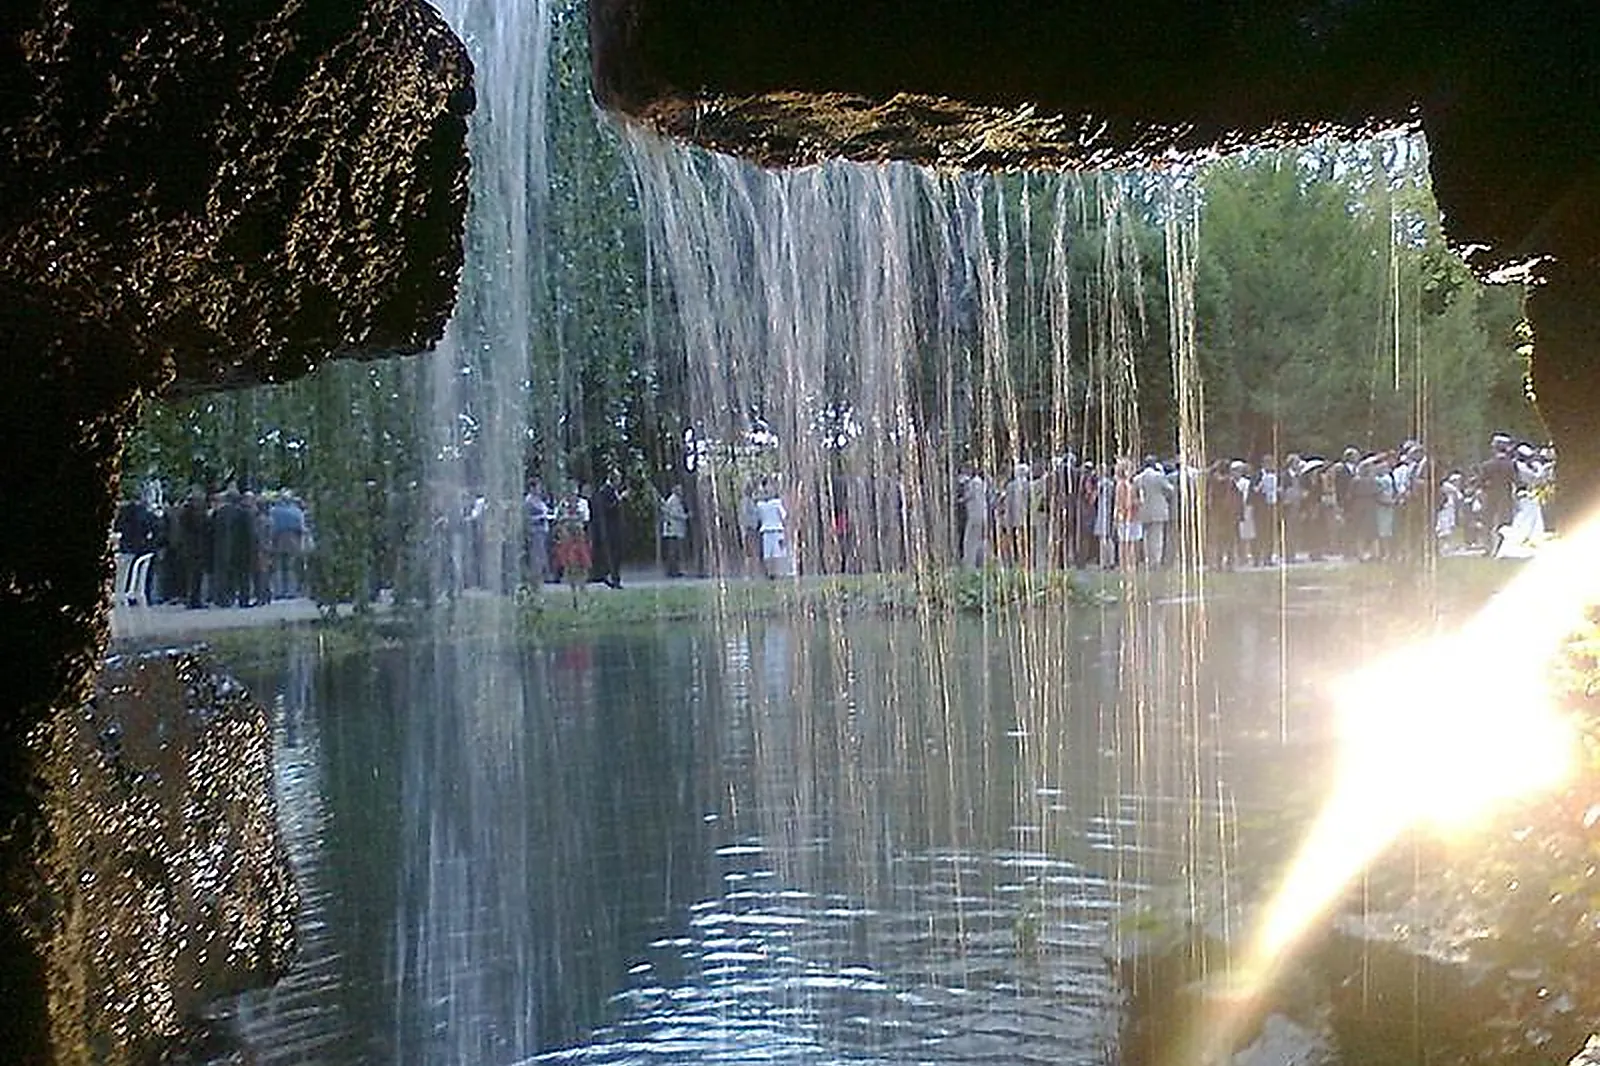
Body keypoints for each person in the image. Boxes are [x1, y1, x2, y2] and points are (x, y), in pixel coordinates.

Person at [1134, 455, 1172, 568]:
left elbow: (1134, 493)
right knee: (1157, 537)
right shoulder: (1159, 477)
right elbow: (1170, 490)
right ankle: (1155, 561)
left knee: (1145, 537)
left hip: (1144, 510)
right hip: (1158, 511)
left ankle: (1147, 559)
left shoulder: (1138, 478)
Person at [592, 468, 626, 588]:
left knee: (617, 554)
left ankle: (614, 577)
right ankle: (611, 577)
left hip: (616, 528)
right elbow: (606, 509)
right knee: (612, 554)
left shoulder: (613, 490)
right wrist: (619, 499)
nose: (620, 482)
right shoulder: (604, 491)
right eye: (619, 479)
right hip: (610, 529)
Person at [755, 477, 789, 578]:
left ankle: (776, 573)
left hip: (776, 530)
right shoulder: (761, 504)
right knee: (768, 554)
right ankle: (770, 573)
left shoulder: (775, 503)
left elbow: (784, 516)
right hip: (767, 531)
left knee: (777, 553)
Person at [960, 463, 990, 569]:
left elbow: (967, 497)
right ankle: (982, 563)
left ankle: (970, 564)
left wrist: (959, 500)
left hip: (974, 516)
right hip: (982, 515)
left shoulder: (973, 483)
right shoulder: (981, 483)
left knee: (970, 541)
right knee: (979, 540)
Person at [524, 478, 550, 587]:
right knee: (536, 556)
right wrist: (540, 517)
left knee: (542, 555)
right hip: (535, 531)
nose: (540, 489)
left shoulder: (539, 500)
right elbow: (527, 517)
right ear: (532, 488)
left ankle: (541, 578)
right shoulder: (529, 501)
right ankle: (535, 579)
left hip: (542, 530)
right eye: (537, 487)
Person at [659, 482, 689, 577]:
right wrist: (685, 516)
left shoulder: (676, 500)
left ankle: (674, 570)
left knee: (674, 551)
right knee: (673, 551)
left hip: (674, 529)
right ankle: (671, 571)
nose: (682, 492)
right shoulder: (673, 500)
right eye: (680, 490)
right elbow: (674, 514)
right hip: (672, 529)